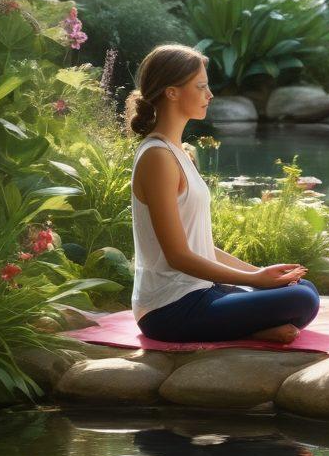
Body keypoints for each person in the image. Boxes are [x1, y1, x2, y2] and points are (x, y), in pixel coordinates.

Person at [126, 44, 319, 344]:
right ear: (171, 92)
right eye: (201, 86)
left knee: (303, 289)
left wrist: (261, 273)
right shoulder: (157, 158)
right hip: (169, 309)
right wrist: (254, 281)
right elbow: (177, 256)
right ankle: (254, 329)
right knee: (301, 301)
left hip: (203, 292)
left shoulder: (180, 153)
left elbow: (200, 247)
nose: (210, 94)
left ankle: (254, 328)